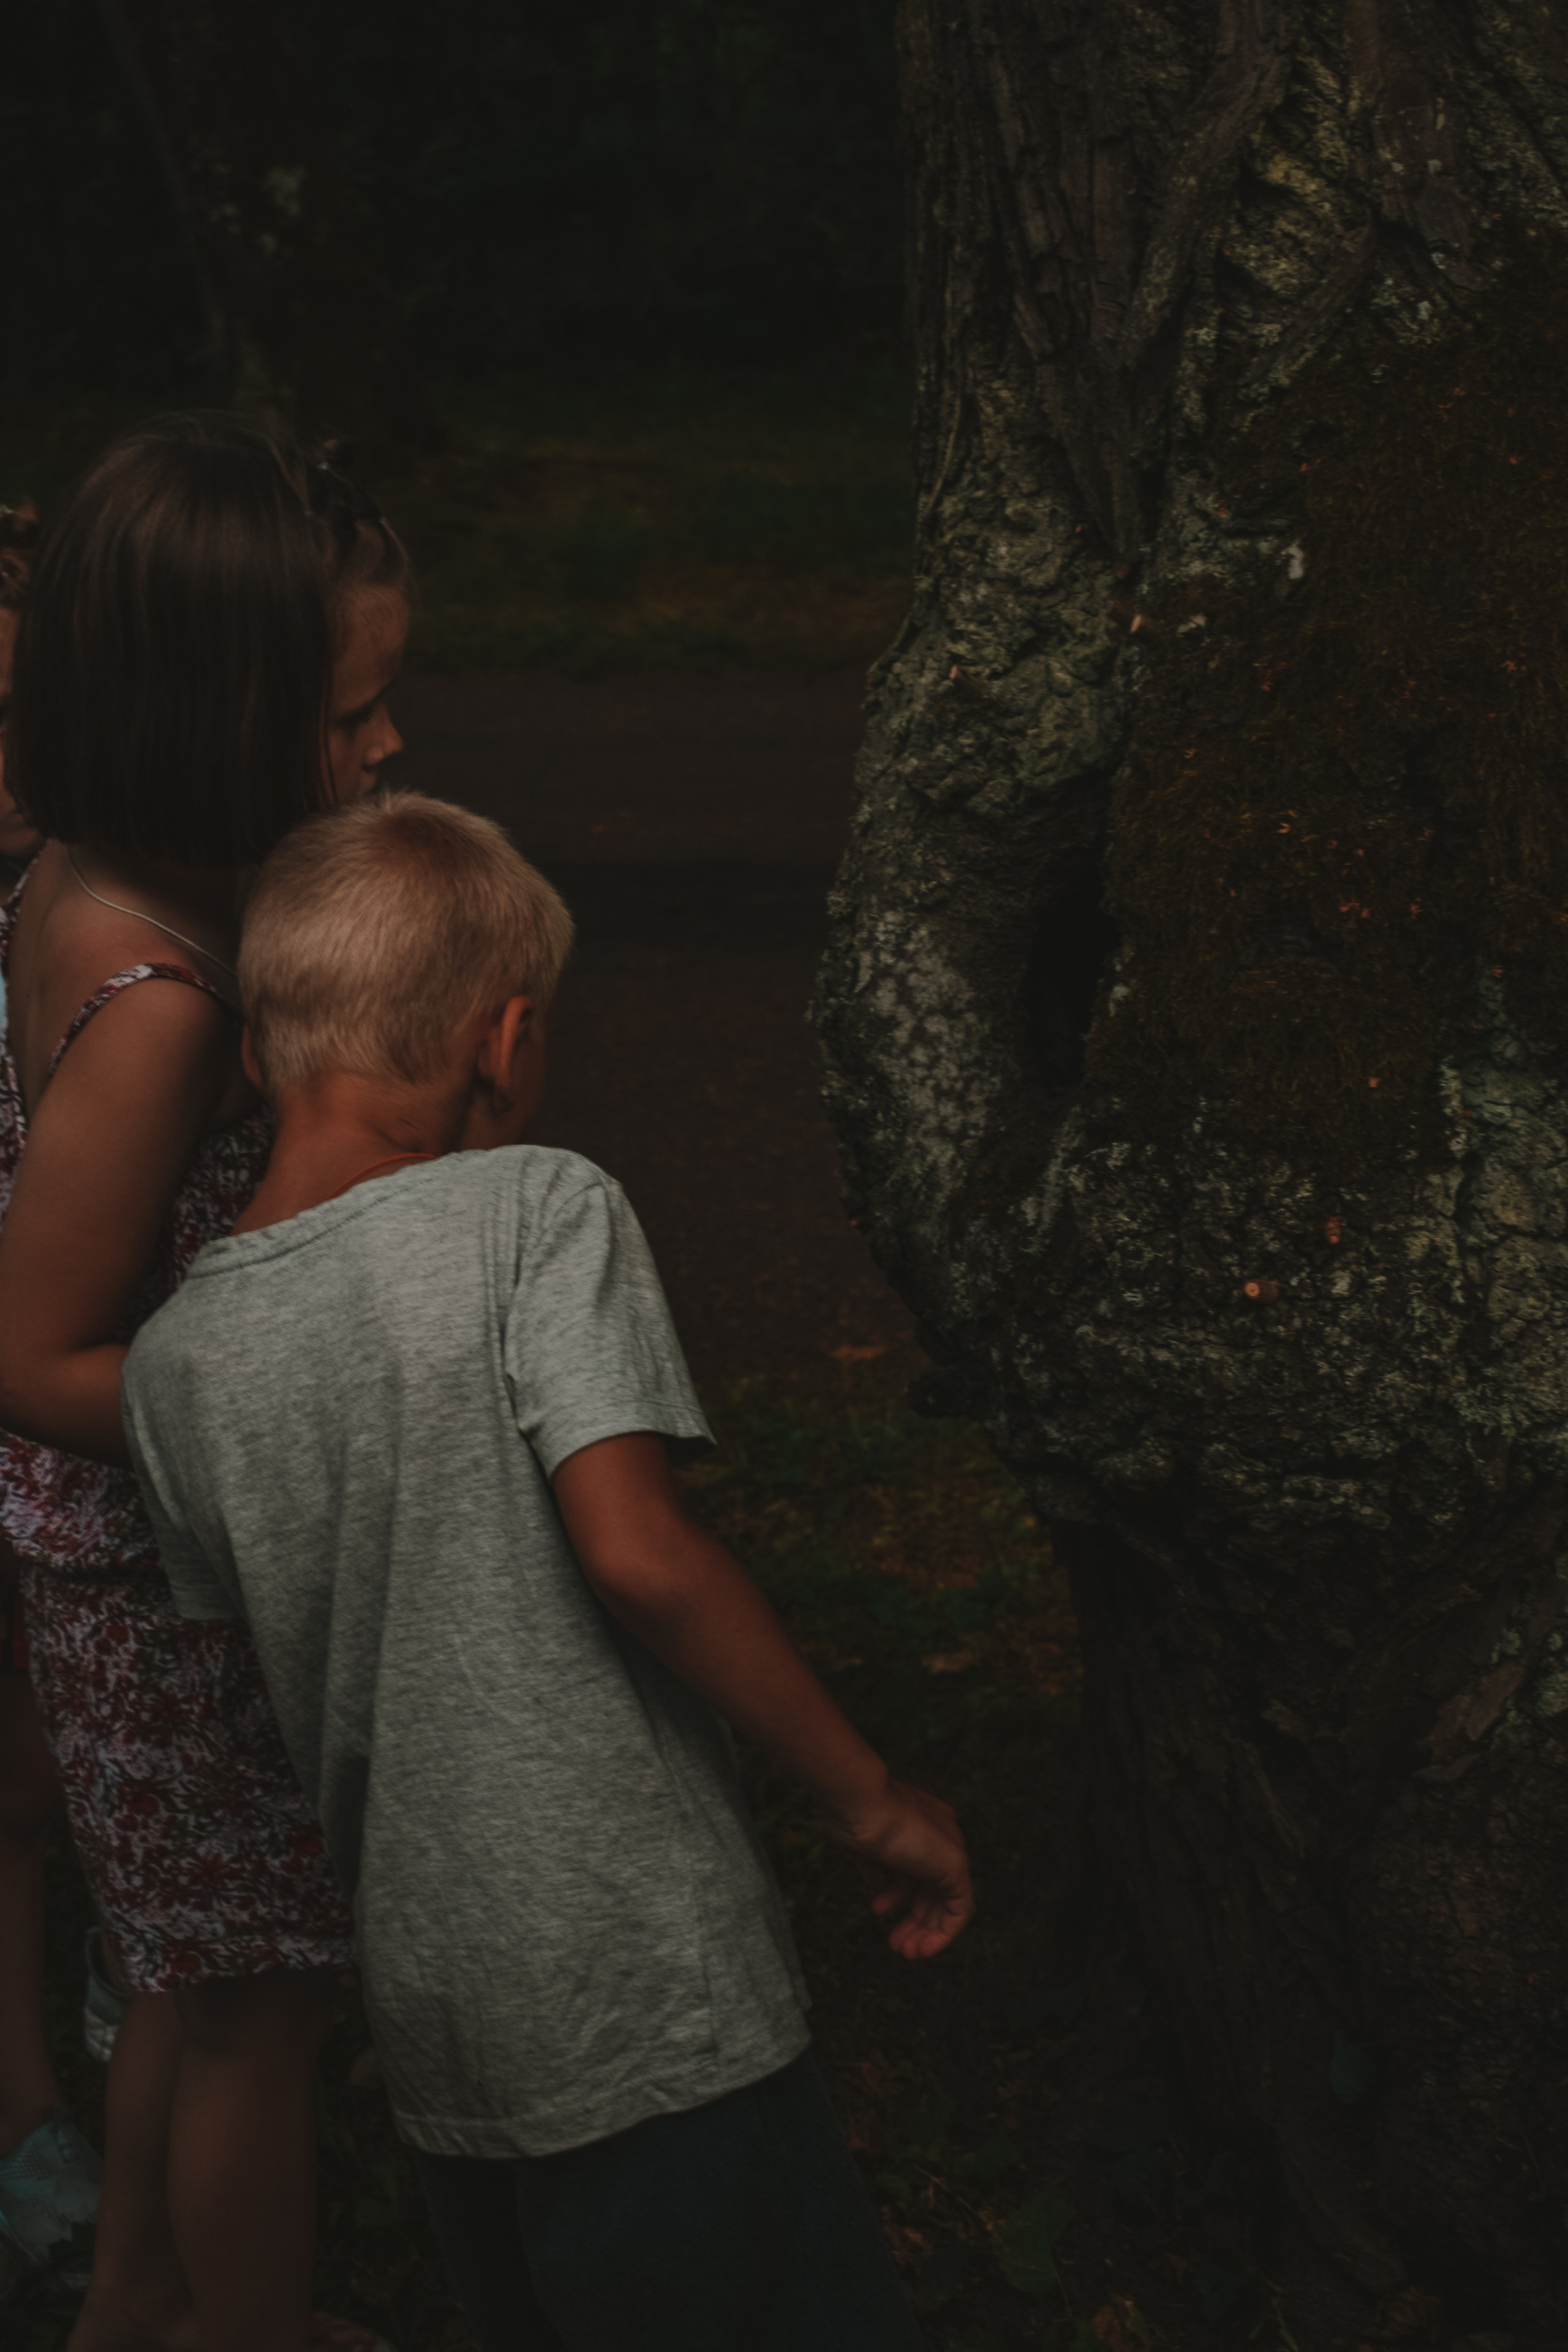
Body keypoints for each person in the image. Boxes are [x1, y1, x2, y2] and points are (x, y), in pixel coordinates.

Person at [121, 791, 976, 2352]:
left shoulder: (171, 1366)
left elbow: (283, 1643)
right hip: (651, 1998)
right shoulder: (536, 1208)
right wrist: (870, 1794)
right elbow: (641, 1557)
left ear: (257, 1056)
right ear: (505, 1042)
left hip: (442, 2036)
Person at [0, 414, 406, 2346]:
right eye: (351, 718)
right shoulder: (156, 1007)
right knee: (260, 2006)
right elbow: (28, 1346)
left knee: (193, 1973)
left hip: (141, 1569)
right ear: (206, 719)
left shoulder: (98, 873)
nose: (386, 748)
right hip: (156, 1582)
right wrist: (272, 1446)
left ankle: (135, 2316)